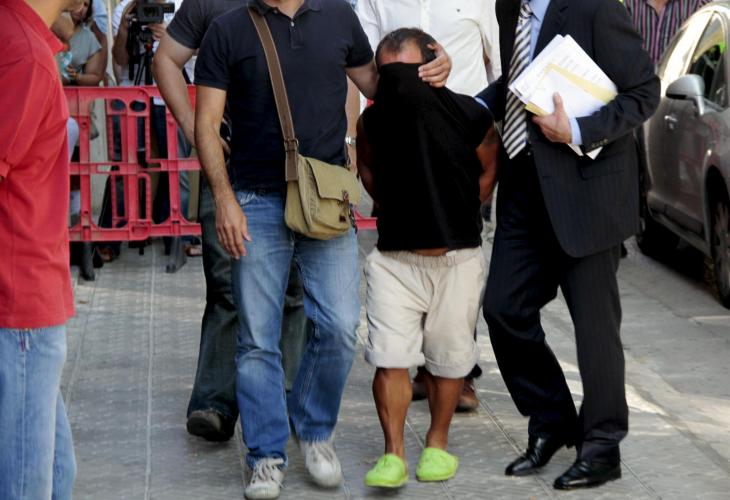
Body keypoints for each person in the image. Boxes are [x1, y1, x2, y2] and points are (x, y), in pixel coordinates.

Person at [193, 0, 449, 497]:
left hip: (326, 198)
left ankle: (313, 429)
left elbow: (379, 85)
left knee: (338, 326)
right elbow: (207, 124)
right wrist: (224, 200)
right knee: (257, 339)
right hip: (254, 199)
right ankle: (266, 456)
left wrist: (434, 67)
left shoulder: (338, 16)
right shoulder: (227, 30)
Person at [477, 0, 659, 490]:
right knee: (503, 309)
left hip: (587, 193)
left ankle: (602, 447)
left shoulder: (595, 7)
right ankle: (553, 420)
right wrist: (465, 105)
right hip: (522, 189)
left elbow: (644, 91)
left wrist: (577, 129)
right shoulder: (510, 6)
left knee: (594, 329)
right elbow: (520, 81)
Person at [151, 0, 312, 442]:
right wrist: (192, 125)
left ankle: (286, 400)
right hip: (228, 161)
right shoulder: (209, 2)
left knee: (295, 287)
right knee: (225, 283)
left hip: (299, 166)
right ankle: (214, 401)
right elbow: (166, 59)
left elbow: (348, 63)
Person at [357, 28, 498, 488]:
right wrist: (399, 206)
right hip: (395, 262)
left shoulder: (471, 114)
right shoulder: (372, 122)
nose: (400, 86)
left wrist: (457, 211)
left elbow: (488, 169)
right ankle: (393, 454)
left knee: (450, 360)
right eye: (389, 76)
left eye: (409, 73)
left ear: (435, 63)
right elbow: (367, 169)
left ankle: (437, 444)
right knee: (389, 357)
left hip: (458, 261)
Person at [0, 0, 83, 497]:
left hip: (26, 287)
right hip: (22, 293)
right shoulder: (25, 54)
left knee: (54, 473)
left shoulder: (21, 39)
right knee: (29, 483)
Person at [624, 0, 710, 65]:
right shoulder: (632, 3)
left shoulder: (697, 3)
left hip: (679, 81)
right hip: (639, 80)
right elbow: (624, 47)